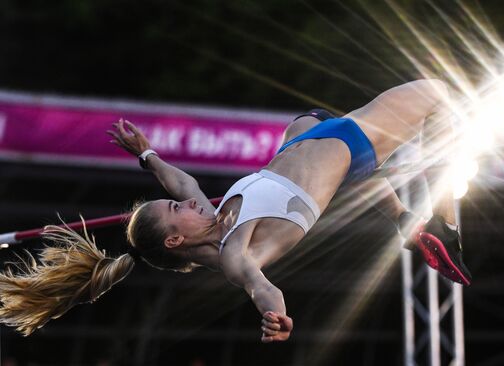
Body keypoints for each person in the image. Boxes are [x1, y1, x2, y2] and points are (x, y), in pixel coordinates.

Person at [0, 79, 471, 341]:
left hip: (314, 144)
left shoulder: (213, 218)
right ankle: (444, 223)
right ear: (175, 240)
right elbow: (261, 288)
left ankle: (406, 225)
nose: (187, 202)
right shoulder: (234, 253)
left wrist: (146, 155)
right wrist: (276, 318)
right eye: (175, 210)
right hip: (352, 148)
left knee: (305, 119)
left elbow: (180, 181)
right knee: (439, 93)